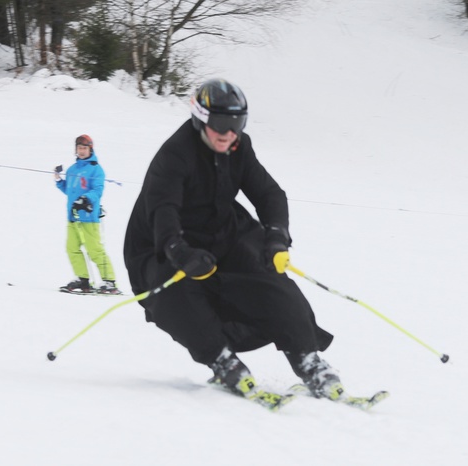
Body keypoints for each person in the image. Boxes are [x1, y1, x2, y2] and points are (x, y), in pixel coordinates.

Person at [123, 79, 347, 400]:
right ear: (200, 119)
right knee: (174, 287)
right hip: (163, 244)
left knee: (267, 271)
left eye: (236, 123)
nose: (228, 133)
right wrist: (179, 250)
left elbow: (269, 194)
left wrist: (277, 236)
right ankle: (221, 358)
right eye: (220, 123)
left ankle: (306, 357)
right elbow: (163, 211)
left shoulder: (239, 148)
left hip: (221, 231)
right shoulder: (175, 156)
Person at [56, 134, 121, 295]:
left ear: (90, 149)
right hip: (73, 217)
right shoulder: (72, 169)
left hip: (89, 217)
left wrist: (85, 199)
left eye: (84, 148)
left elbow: (98, 190)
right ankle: (83, 279)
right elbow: (69, 190)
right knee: (72, 248)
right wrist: (58, 180)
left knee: (94, 249)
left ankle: (109, 281)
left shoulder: (95, 169)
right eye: (79, 148)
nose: (82, 151)